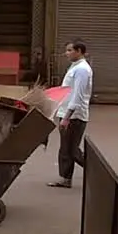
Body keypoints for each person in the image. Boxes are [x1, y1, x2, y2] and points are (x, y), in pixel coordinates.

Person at [49, 41, 93, 188]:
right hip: (67, 113)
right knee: (66, 149)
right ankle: (65, 178)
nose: (66, 53)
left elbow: (78, 96)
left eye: (69, 50)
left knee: (72, 150)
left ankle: (95, 171)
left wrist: (66, 117)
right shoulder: (75, 67)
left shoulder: (82, 70)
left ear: (79, 51)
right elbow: (67, 90)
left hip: (75, 116)